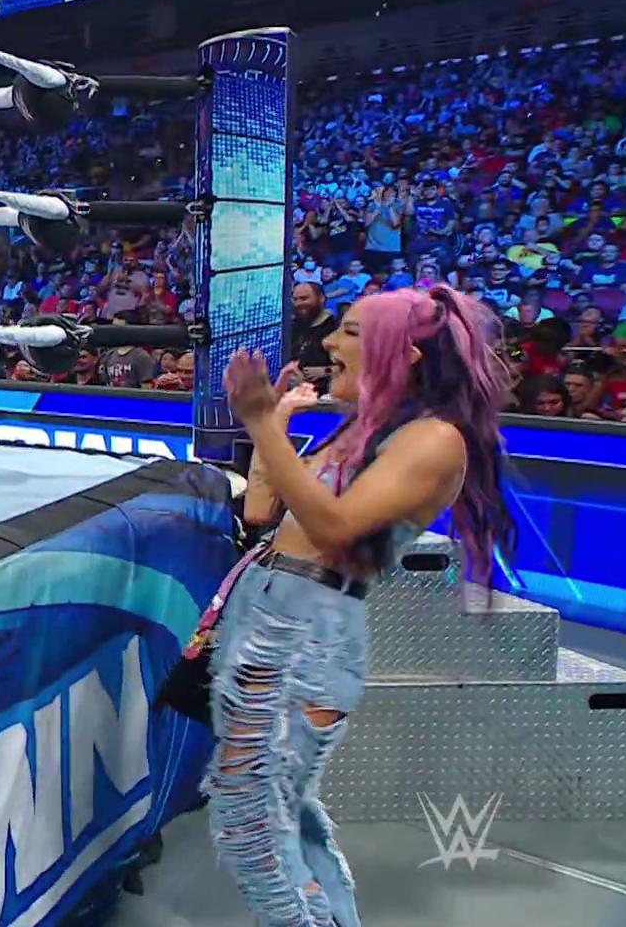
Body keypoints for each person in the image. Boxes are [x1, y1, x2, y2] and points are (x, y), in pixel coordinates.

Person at [213, 285, 512, 927]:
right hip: (271, 610)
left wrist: (260, 421)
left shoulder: (434, 440)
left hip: (306, 633)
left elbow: (335, 530)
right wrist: (276, 423)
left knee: (251, 819)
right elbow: (263, 511)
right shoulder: (364, 430)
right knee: (283, 812)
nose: (328, 343)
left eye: (349, 331)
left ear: (403, 354)